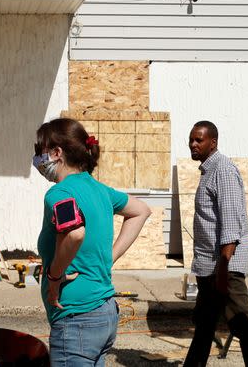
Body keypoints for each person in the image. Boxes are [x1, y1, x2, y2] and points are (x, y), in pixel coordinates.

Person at [33, 118, 152, 366]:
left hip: (76, 320)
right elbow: (141, 210)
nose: (37, 159)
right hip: (104, 314)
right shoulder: (100, 190)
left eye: (39, 151)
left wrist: (54, 279)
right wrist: (111, 256)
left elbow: (75, 233)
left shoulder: (60, 193)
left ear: (57, 153)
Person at [184, 121, 248, 367]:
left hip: (224, 267)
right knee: (204, 325)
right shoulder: (208, 171)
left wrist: (223, 267)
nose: (193, 144)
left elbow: (231, 224)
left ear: (213, 142)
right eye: (191, 139)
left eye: (199, 140)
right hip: (209, 266)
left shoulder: (223, 170)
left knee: (245, 327)